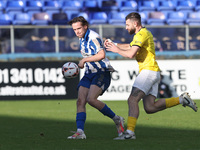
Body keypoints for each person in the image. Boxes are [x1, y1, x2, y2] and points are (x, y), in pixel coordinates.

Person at [104, 12, 198, 140]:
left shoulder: (142, 34)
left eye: (127, 24)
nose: (126, 28)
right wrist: (113, 44)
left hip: (148, 71)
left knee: (132, 100)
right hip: (152, 72)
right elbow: (129, 46)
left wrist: (116, 50)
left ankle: (129, 133)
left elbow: (131, 53)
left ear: (135, 23)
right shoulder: (141, 34)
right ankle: (181, 100)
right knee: (150, 107)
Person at [67, 16, 124, 139]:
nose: (76, 31)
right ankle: (80, 132)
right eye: (74, 29)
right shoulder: (82, 38)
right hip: (89, 73)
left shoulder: (93, 37)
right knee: (80, 101)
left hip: (101, 71)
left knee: (91, 99)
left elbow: (102, 54)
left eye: (79, 28)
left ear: (85, 26)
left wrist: (84, 60)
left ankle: (117, 119)